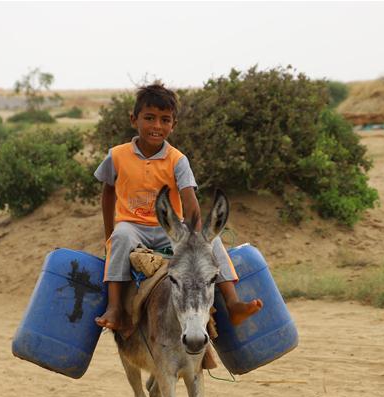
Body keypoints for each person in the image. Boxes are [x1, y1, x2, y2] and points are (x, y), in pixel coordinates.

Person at [93, 82, 262, 332]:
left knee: (211, 241)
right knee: (120, 236)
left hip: (171, 231)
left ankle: (233, 302)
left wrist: (194, 239)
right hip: (133, 227)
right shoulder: (116, 155)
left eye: (165, 120)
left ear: (174, 125)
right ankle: (115, 307)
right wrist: (110, 234)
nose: (157, 126)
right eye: (149, 118)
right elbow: (108, 193)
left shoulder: (177, 160)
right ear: (134, 119)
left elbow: (190, 201)